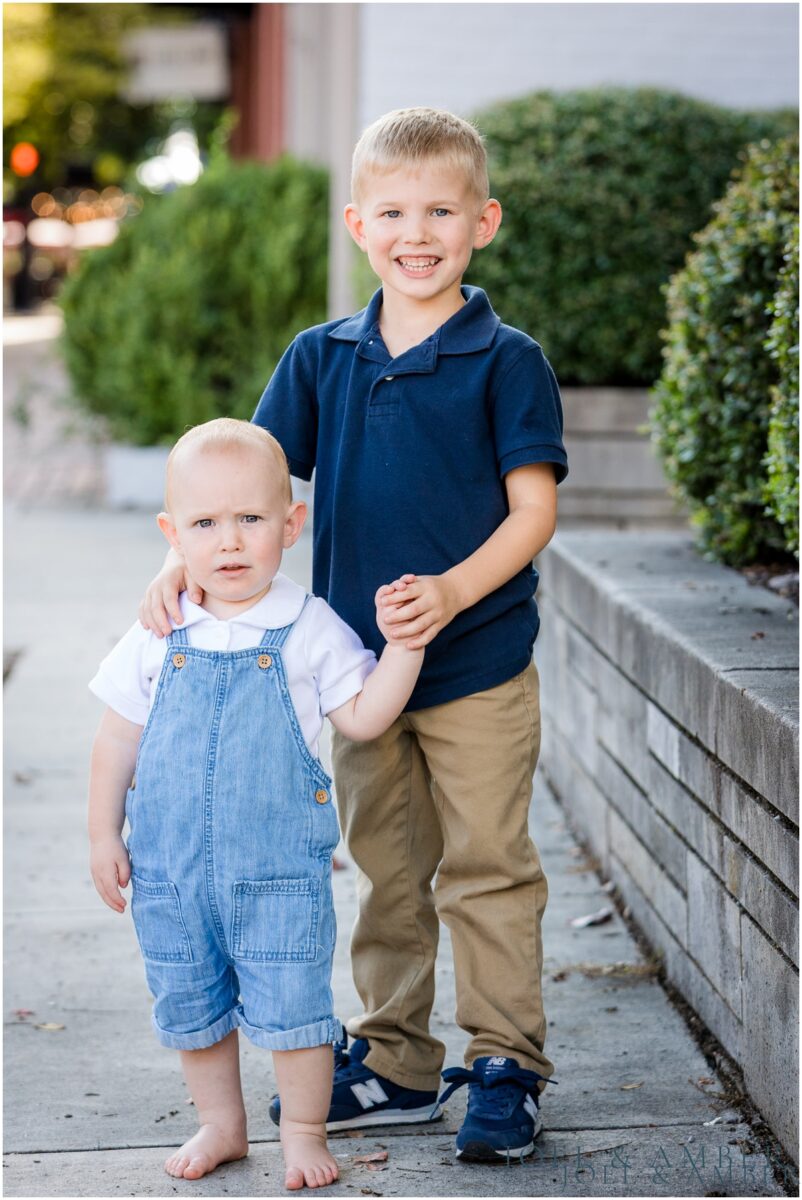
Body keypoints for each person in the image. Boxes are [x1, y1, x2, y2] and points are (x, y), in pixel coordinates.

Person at [140, 107, 568, 1162]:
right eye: (393, 213)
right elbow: (245, 478)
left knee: (488, 866)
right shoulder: (321, 355)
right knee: (386, 869)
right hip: (356, 675)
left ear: (483, 223)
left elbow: (533, 511)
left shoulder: (506, 359)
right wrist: (181, 562)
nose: (416, 233)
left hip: (477, 666)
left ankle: (505, 1063)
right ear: (357, 225)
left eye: (441, 212)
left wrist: (454, 592)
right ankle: (398, 1059)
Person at [89, 419, 424, 1188]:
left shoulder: (307, 627)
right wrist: (103, 833)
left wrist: (404, 647)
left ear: (290, 524)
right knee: (192, 1004)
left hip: (276, 876)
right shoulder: (160, 629)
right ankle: (222, 1123)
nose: (230, 541)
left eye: (250, 518)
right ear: (173, 535)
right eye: (206, 523)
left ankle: (303, 1130)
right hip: (171, 873)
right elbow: (116, 739)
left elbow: (364, 717)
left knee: (294, 1006)